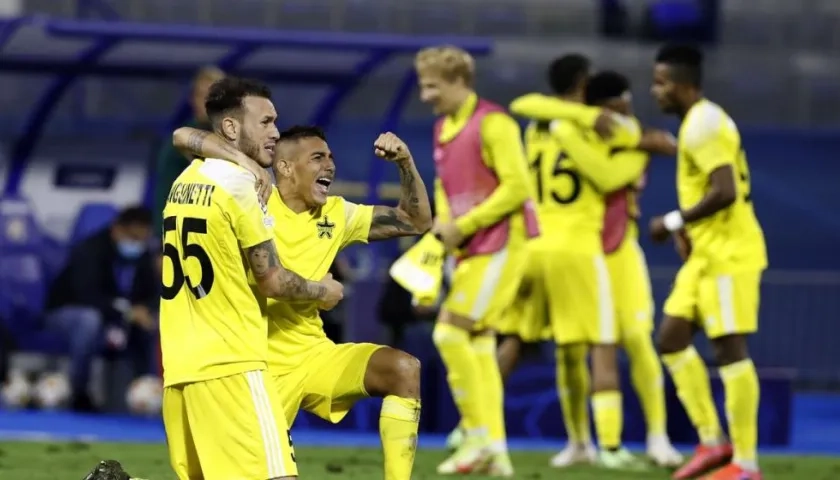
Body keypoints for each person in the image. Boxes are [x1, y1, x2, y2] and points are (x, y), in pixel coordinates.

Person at [172, 124, 432, 480]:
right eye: (317, 158)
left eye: (331, 158)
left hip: (313, 355)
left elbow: (416, 221)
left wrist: (405, 162)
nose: (330, 165)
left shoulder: (337, 215)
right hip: (253, 368)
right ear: (285, 167)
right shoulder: (250, 199)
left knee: (402, 369)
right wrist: (322, 291)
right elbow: (184, 137)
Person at [159, 77, 342, 480]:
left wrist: (242, 161)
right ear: (230, 128)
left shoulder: (186, 181)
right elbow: (273, 282)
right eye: (266, 122)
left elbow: (184, 136)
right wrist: (322, 291)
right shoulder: (242, 187)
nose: (276, 132)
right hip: (232, 364)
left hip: (180, 367)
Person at [508, 53, 659, 470]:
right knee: (602, 345)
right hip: (579, 247)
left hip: (536, 246)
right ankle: (609, 447)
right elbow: (612, 173)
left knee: (552, 348)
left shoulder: (537, 124)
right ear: (583, 81)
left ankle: (571, 442)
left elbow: (524, 103)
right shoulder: (599, 124)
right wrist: (643, 149)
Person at [413, 45, 540, 476]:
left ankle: (477, 438)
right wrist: (447, 231)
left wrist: (463, 226)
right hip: (469, 247)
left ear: (458, 82)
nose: (425, 95)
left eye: (431, 86)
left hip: (505, 241)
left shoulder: (495, 123)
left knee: (450, 333)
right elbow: (446, 189)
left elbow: (518, 188)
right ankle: (497, 454)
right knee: (480, 345)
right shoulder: (442, 129)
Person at [650, 44, 766, 480]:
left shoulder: (705, 126)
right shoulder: (698, 122)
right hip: (704, 253)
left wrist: (672, 220)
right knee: (671, 338)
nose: (654, 90)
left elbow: (726, 190)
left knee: (729, 348)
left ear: (681, 85)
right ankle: (713, 442)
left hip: (730, 255)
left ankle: (746, 464)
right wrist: (688, 231)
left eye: (660, 82)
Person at [585, 70, 683, 468]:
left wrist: (638, 139)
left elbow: (665, 144)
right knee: (600, 348)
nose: (627, 107)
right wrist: (643, 141)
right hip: (588, 252)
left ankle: (657, 438)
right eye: (619, 102)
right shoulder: (588, 139)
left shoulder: (625, 137)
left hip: (622, 251)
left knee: (640, 343)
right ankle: (607, 445)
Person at [44, 206, 158, 412]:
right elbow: (87, 295)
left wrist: (145, 309)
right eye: (132, 237)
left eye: (142, 239)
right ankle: (80, 393)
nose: (136, 244)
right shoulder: (90, 250)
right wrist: (128, 311)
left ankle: (147, 390)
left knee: (156, 320)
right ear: (117, 230)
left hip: (116, 316)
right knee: (89, 321)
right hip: (68, 313)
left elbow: (152, 293)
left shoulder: (143, 255)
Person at [151, 66, 225, 236]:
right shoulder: (178, 140)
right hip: (185, 233)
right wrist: (162, 241)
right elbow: (164, 193)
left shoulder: (240, 138)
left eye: (211, 96)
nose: (202, 101)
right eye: (198, 95)